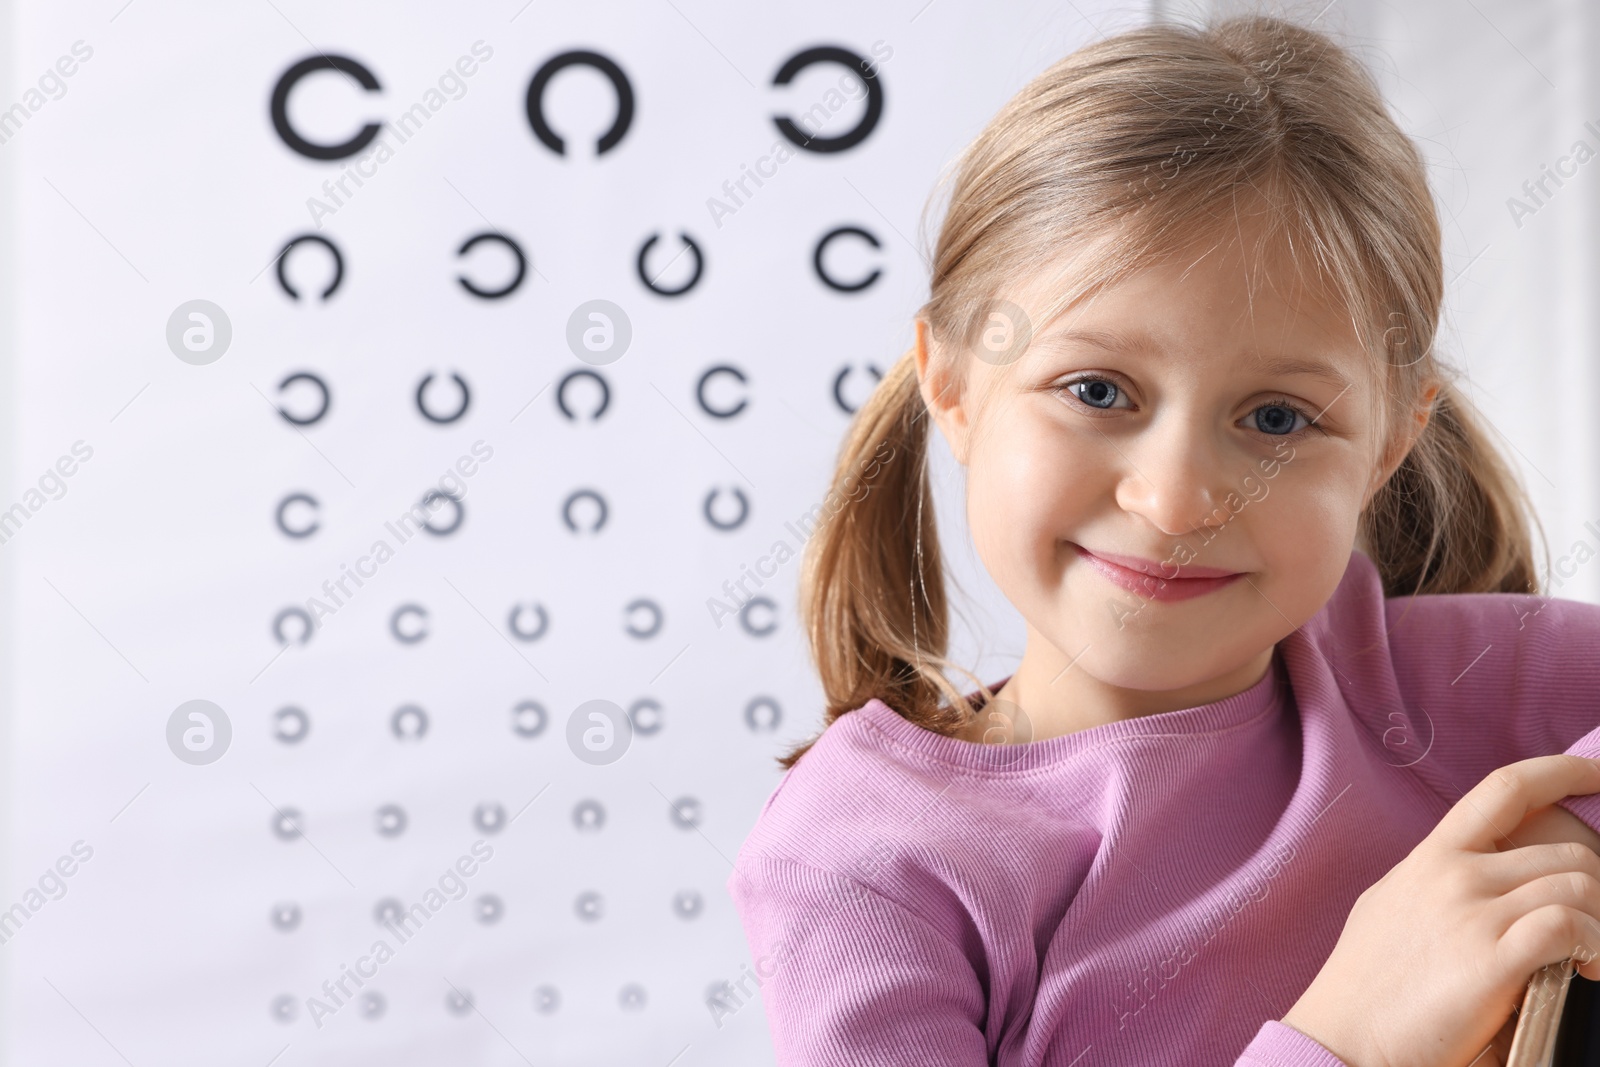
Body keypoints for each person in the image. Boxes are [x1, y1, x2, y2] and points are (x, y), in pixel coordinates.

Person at [725, 11, 1600, 1066]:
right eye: (1097, 390)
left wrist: (1566, 837)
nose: (1177, 499)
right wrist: (1343, 1038)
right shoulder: (864, 863)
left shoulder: (1445, 687)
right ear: (951, 382)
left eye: (1276, 418)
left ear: (1385, 444)